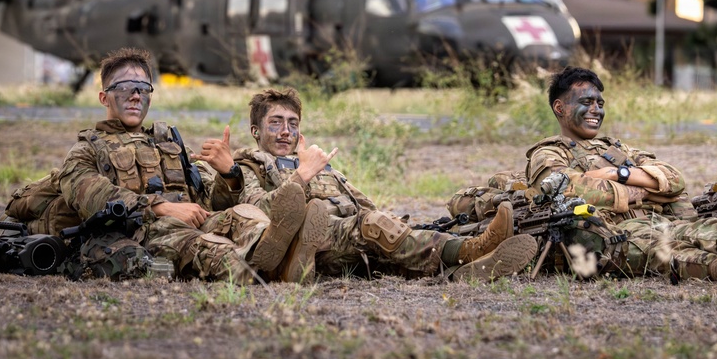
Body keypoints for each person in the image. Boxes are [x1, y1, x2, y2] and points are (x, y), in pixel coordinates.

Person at [196, 87, 537, 283]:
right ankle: (470, 250)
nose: (286, 131)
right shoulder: (249, 165)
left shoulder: (320, 164)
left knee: (392, 235)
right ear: (256, 131)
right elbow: (263, 214)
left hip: (352, 244)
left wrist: (397, 226)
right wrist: (302, 175)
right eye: (275, 123)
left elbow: (365, 204)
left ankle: (467, 263)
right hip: (309, 244)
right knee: (374, 227)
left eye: (292, 123)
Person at [520, 66, 717, 281]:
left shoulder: (616, 149)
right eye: (587, 102)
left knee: (693, 228)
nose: (596, 110)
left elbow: (674, 178)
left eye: (600, 103)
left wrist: (619, 174)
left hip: (656, 221)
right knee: (668, 250)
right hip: (611, 233)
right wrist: (647, 191)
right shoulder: (549, 153)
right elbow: (568, 190)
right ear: (560, 107)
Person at [56, 47, 306, 282]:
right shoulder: (86, 149)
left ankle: (283, 249)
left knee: (241, 219)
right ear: (104, 97)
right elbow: (92, 196)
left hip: (197, 221)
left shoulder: (170, 144)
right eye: (124, 88)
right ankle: (268, 268)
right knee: (199, 244)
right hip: (145, 232)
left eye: (142, 89)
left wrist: (228, 174)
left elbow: (209, 201)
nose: (134, 96)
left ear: (149, 98)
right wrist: (161, 207)